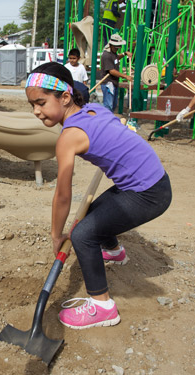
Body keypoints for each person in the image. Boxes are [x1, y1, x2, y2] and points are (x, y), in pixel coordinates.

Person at [25, 61, 172, 330]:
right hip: (152, 180)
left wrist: (57, 235)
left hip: (149, 193)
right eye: (32, 104)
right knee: (92, 217)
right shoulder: (93, 108)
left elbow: (62, 196)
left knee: (81, 233)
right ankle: (114, 251)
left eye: (41, 102)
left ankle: (102, 306)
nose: (36, 111)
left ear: (66, 97)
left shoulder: (69, 136)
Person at [100, 33, 132, 113]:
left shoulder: (113, 53)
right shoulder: (106, 55)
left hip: (114, 83)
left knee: (113, 105)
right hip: (108, 83)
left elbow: (116, 58)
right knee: (108, 106)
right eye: (116, 47)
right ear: (111, 45)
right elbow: (111, 71)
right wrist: (125, 76)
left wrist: (124, 54)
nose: (117, 49)